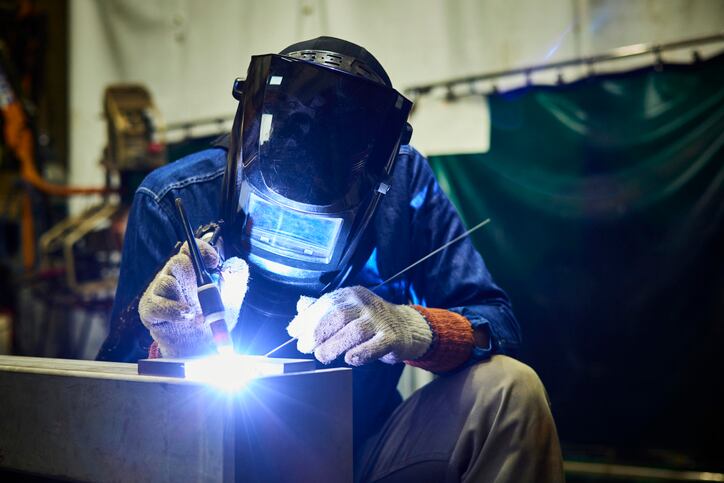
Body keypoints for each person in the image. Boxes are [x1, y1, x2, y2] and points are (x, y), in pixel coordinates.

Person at [97, 36, 564, 482]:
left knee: (510, 390)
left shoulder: (405, 184)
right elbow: (113, 407)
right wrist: (176, 349)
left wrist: (412, 328)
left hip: (362, 452)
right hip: (216, 457)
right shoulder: (173, 198)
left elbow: (495, 322)